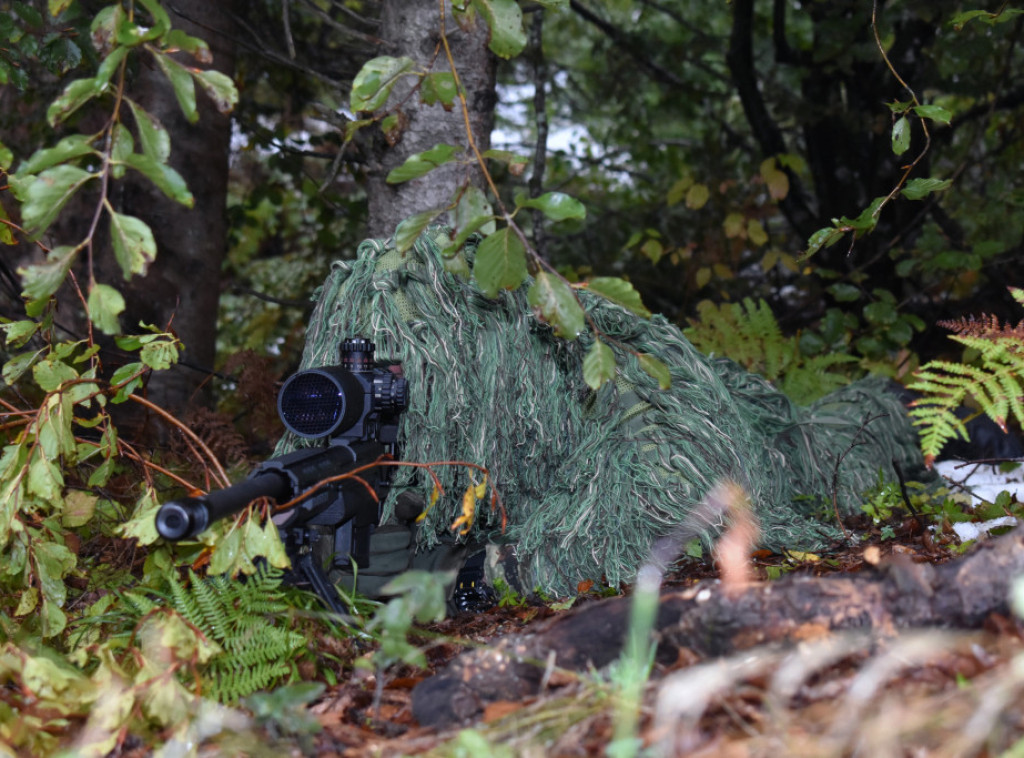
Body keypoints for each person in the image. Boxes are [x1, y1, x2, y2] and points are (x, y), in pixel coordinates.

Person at [275, 228, 929, 604]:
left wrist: (482, 578)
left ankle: (930, 412)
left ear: (489, 361)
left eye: (419, 371)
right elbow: (298, 481)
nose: (390, 391)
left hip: (764, 442)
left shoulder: (602, 387)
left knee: (863, 418)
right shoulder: (361, 409)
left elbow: (678, 513)